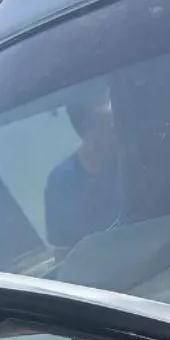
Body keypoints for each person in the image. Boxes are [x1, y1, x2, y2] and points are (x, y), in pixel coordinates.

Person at [45, 83, 124, 251]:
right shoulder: (60, 183)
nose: (122, 127)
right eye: (111, 124)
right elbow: (64, 251)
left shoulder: (141, 160)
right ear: (85, 131)